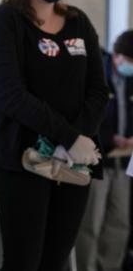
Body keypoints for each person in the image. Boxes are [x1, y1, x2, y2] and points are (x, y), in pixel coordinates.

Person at [0, 0, 109, 271]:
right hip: (22, 157)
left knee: (55, 259)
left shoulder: (78, 23)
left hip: (74, 160)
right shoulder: (5, 23)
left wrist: (79, 138)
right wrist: (66, 137)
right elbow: (10, 94)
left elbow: (98, 89)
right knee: (24, 260)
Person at [77, 30, 133, 271]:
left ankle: (110, 267)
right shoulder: (96, 74)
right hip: (98, 159)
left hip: (123, 162)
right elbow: (88, 116)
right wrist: (111, 138)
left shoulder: (130, 81)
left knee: (120, 222)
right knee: (91, 223)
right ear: (118, 56)